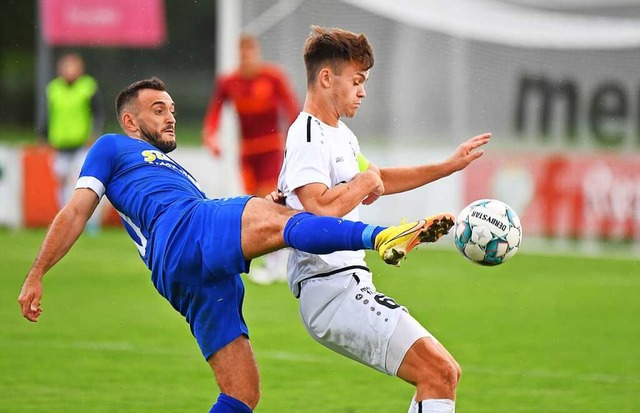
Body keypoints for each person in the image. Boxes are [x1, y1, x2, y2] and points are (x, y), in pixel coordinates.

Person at [18, 77, 457, 413]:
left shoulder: (172, 170)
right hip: (183, 232)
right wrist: (37, 273)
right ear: (130, 121)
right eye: (157, 110)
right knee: (284, 221)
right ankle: (381, 235)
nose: (170, 116)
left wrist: (261, 211)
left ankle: (344, 229)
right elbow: (77, 209)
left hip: (188, 273)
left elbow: (223, 221)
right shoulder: (112, 147)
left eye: (171, 109)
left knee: (242, 392)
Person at [277, 26, 492, 413]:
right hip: (328, 289)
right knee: (440, 372)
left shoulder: (340, 135)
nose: (363, 91)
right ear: (327, 77)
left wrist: (448, 166)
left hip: (348, 284)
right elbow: (318, 209)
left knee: (442, 374)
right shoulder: (307, 135)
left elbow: (380, 180)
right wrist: (364, 181)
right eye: (357, 81)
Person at [202, 34, 300, 285]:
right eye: (242, 54)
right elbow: (215, 111)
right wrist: (211, 136)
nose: (246, 58)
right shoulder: (229, 81)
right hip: (247, 152)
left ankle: (275, 263)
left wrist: (298, 139)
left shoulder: (273, 77)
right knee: (255, 204)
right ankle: (283, 251)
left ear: (256, 53)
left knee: (268, 200)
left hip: (270, 149)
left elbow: (292, 109)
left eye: (250, 53)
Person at [38, 52, 105, 232]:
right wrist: (44, 136)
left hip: (82, 144)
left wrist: (94, 135)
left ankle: (90, 223)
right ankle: (65, 219)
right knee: (61, 181)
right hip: (60, 145)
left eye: (73, 66)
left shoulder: (88, 87)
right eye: (66, 66)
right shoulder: (54, 88)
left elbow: (97, 114)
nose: (69, 70)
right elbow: (48, 115)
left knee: (86, 184)